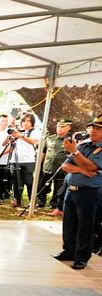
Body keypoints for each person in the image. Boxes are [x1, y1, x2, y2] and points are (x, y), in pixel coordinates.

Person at [53, 115, 102, 270]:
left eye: (98, 128)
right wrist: (80, 168)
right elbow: (66, 166)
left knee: (85, 226)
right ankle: (69, 250)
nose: (93, 130)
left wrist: (75, 152)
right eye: (92, 127)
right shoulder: (84, 146)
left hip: (89, 192)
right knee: (69, 223)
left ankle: (81, 257)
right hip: (72, 189)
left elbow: (92, 167)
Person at [38, 119, 73, 211]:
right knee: (43, 185)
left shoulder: (70, 141)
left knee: (58, 187)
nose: (59, 129)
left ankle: (53, 203)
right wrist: (38, 165)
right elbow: (43, 152)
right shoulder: (50, 138)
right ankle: (41, 201)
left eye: (62, 127)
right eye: (58, 126)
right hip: (47, 166)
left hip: (61, 168)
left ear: (69, 127)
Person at [8, 114, 40, 207]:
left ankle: (32, 200)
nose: (25, 123)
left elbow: (33, 141)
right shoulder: (18, 131)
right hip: (15, 159)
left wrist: (21, 136)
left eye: (28, 121)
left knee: (29, 181)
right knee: (16, 181)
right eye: (23, 121)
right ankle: (17, 200)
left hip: (28, 160)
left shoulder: (34, 131)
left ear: (32, 122)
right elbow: (8, 144)